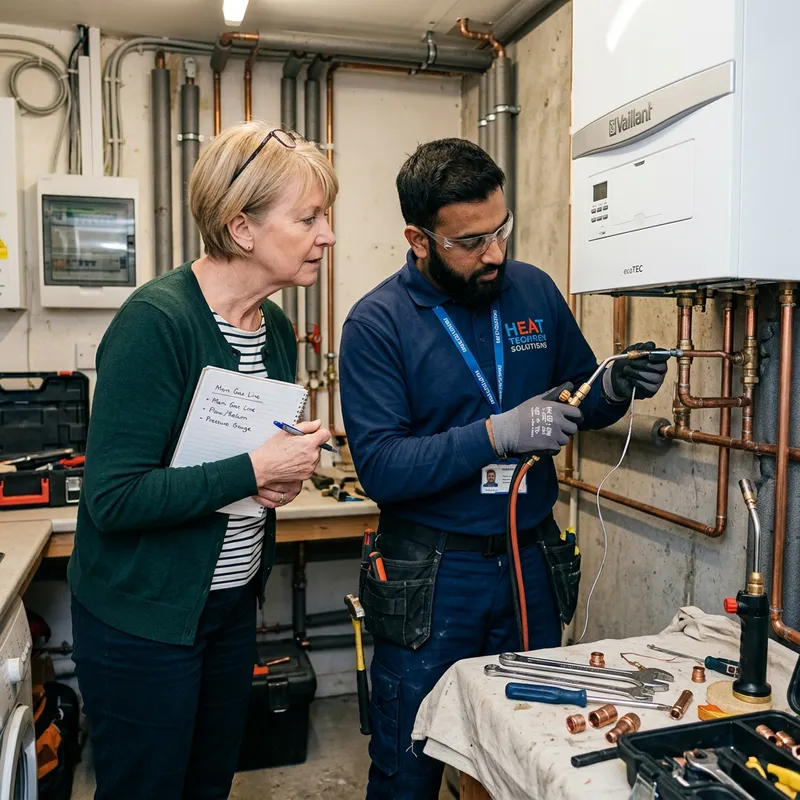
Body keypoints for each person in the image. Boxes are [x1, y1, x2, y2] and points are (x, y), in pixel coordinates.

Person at [338, 138, 668, 799]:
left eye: (501, 230)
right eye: (471, 241)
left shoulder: (533, 292)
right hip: (432, 575)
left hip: (529, 563)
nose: (494, 253)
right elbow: (381, 467)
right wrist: (497, 434)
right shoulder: (378, 324)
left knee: (533, 752)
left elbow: (579, 393)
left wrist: (616, 385)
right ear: (420, 238)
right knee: (409, 767)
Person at [68, 121, 337, 800]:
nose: (327, 234)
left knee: (209, 783)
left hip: (225, 609)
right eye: (308, 217)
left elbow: (229, 462)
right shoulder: (157, 322)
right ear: (241, 228)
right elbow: (115, 499)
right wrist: (254, 471)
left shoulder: (272, 326)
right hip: (145, 621)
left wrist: (274, 479)